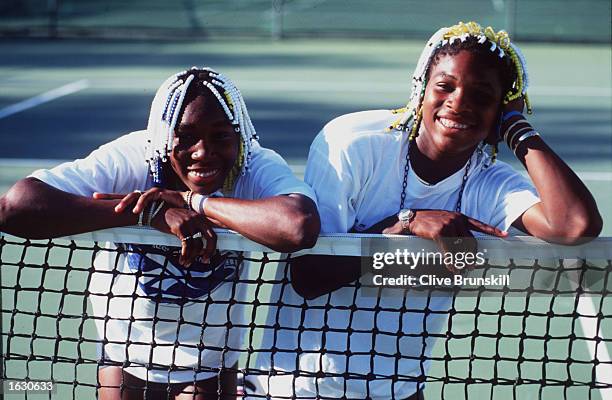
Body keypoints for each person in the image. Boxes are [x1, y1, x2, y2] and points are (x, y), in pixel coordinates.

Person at [246, 22, 602, 399]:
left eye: (482, 96)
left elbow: (575, 225)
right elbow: (309, 275)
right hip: (299, 387)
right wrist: (407, 222)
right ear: (421, 89)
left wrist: (517, 126)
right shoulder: (352, 144)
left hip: (398, 390)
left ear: (499, 108)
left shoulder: (489, 183)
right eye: (445, 86)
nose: (459, 102)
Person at [0, 67, 320, 399]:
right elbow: (15, 208)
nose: (202, 152)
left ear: (238, 137)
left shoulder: (251, 164)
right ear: (164, 136)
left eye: (220, 136)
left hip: (210, 361)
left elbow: (297, 226)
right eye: (185, 136)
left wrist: (194, 202)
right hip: (126, 354)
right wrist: (146, 215)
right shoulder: (133, 157)